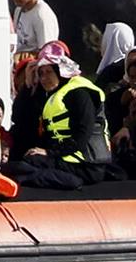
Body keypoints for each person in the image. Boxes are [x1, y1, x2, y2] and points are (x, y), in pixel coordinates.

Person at [18, 47, 112, 188]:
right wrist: (28, 85)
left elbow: (82, 134)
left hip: (87, 165)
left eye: (49, 72)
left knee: (27, 165)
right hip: (66, 158)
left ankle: (70, 181)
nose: (44, 78)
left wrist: (49, 153)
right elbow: (20, 118)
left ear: (60, 71)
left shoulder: (79, 93)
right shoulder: (51, 94)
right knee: (21, 163)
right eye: (41, 74)